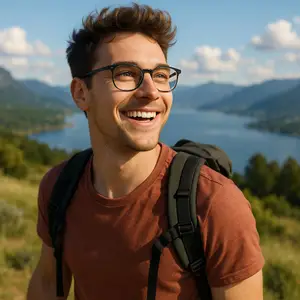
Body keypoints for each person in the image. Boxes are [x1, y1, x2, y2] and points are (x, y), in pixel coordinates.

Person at [26, 3, 265, 300]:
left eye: (162, 75)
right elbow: (48, 285)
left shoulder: (215, 203)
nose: (151, 91)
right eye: (125, 73)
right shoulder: (60, 188)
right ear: (80, 93)